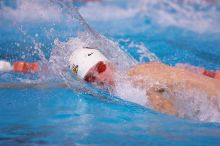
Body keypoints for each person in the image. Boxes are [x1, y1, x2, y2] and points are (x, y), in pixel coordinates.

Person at [1, 46, 220, 117]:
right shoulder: (134, 74)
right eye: (89, 80)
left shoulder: (136, 77)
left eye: (98, 72)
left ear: (105, 64)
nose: (97, 81)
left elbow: (162, 102)